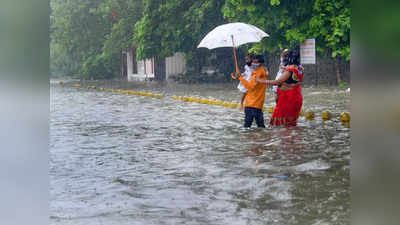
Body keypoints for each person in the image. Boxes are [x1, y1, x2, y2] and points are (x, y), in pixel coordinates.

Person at [255, 50, 303, 127]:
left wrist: (260, 80)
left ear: (289, 59)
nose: (283, 60)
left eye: (285, 58)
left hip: (288, 99)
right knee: (290, 125)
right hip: (295, 97)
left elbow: (277, 82)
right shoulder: (299, 68)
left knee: (280, 125)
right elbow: (296, 82)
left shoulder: (290, 71)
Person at [232, 55, 269, 128]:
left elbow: (250, 87)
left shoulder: (258, 72)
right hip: (256, 103)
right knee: (261, 127)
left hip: (252, 104)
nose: (253, 64)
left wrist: (240, 78)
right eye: (253, 62)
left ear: (260, 63)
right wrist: (239, 76)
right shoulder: (260, 70)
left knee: (247, 127)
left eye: (255, 62)